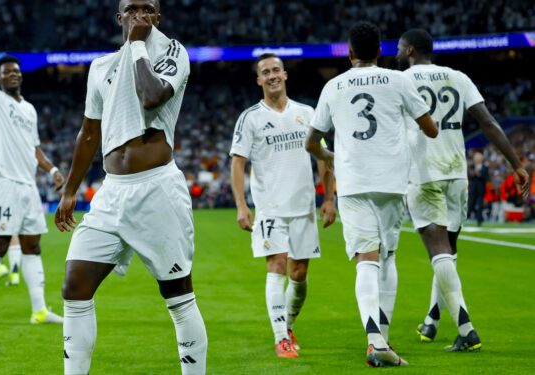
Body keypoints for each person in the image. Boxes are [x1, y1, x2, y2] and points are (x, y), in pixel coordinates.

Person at [55, 0, 207, 373]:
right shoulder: (100, 67)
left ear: (158, 17)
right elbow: (89, 134)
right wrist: (71, 189)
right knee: (74, 286)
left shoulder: (173, 52)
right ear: (118, 17)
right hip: (111, 193)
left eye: (148, 9)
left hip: (157, 189)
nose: (140, 14)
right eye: (132, 9)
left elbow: (151, 96)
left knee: (177, 295)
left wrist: (137, 44)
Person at [306, 21, 438, 367]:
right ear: (380, 52)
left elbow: (311, 142)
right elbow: (431, 129)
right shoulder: (400, 80)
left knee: (366, 259)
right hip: (392, 182)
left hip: (352, 183)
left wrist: (328, 156)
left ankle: (375, 342)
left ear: (349, 54)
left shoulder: (333, 86)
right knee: (388, 257)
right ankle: (381, 338)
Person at [396, 28, 530, 351]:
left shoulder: (401, 80)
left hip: (424, 172)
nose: (397, 53)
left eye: (400, 48)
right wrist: (517, 164)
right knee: (448, 252)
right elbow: (487, 121)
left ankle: (467, 330)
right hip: (457, 174)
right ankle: (431, 321)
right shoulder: (458, 76)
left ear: (411, 50)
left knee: (439, 252)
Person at [230, 53, 336, 358]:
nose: (272, 75)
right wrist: (241, 205)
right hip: (270, 208)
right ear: (259, 80)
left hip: (303, 207)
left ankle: (286, 324)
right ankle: (281, 338)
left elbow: (323, 158)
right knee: (276, 266)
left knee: (299, 274)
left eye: (277, 69)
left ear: (285, 75)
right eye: (266, 71)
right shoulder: (250, 117)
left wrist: (329, 198)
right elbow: (238, 164)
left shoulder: (306, 113)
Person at [0, 11, 65, 326]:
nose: (13, 74)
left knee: (33, 245)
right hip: (5, 183)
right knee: (0, 244)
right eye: (7, 72)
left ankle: (39, 310)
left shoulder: (29, 109)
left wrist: (52, 171)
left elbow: (34, 148)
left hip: (27, 186)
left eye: (16, 71)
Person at [468, 152, 490, 226]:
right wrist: (472, 174)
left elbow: (487, 178)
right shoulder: (471, 166)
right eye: (476, 159)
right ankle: (467, 218)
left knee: (480, 206)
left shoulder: (485, 167)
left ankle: (479, 221)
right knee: (470, 204)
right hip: (472, 189)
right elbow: (469, 176)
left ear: (481, 160)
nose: (477, 160)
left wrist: (479, 174)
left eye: (478, 159)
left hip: (481, 190)